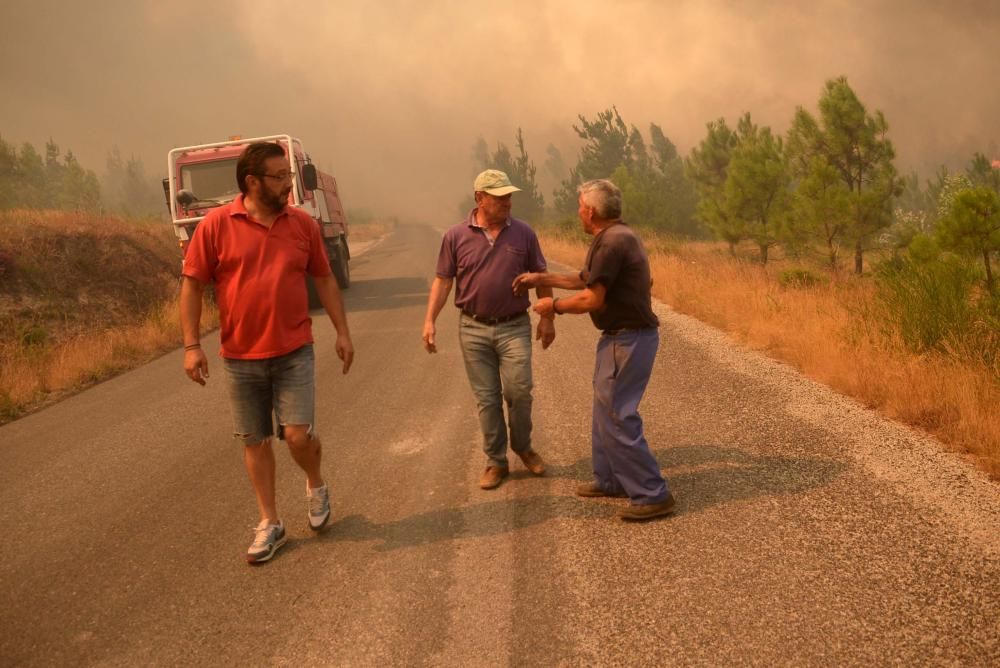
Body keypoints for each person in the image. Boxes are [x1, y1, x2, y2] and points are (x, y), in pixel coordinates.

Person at [180, 141, 355, 563]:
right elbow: (191, 284)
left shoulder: (302, 225)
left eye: (289, 177)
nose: (288, 186)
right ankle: (270, 521)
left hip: (294, 349)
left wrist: (342, 332)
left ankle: (315, 483)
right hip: (239, 356)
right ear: (252, 181)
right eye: (280, 178)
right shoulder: (216, 225)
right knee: (255, 440)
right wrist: (191, 346)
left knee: (297, 435)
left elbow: (325, 280)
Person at [513, 178, 675, 521]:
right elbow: (585, 279)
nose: (577, 213)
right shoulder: (617, 236)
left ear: (590, 210)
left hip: (628, 339)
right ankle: (610, 478)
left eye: (579, 207)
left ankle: (652, 493)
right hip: (621, 338)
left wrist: (552, 308)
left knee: (618, 414)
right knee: (605, 411)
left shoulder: (611, 243)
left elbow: (592, 297)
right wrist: (539, 278)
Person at [423, 169, 555, 490]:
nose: (507, 202)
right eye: (500, 197)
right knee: (488, 399)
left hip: (514, 326)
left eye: (509, 196)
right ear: (479, 198)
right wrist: (430, 320)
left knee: (519, 391)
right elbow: (443, 280)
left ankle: (522, 446)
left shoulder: (523, 233)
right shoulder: (455, 236)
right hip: (473, 329)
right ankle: (496, 462)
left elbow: (541, 276)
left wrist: (548, 317)